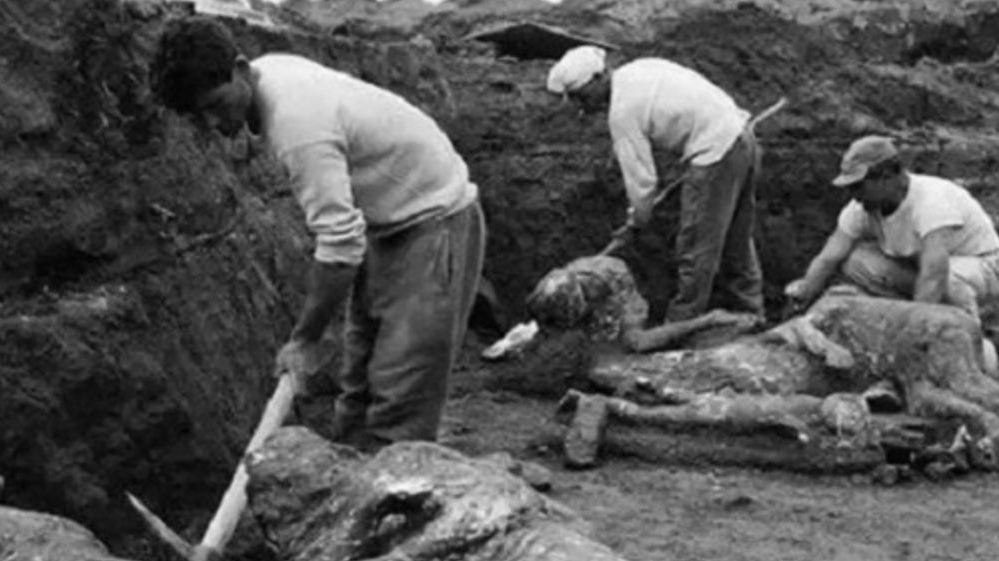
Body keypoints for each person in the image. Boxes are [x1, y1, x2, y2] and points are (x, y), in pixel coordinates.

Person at [152, 19, 485, 451]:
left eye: (216, 104)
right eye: (201, 115)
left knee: (399, 402)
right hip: (389, 223)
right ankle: (350, 475)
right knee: (358, 390)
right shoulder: (269, 72)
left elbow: (340, 246)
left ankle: (394, 484)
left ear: (240, 68)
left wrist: (304, 339)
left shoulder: (297, 125)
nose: (214, 122)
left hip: (435, 223)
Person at [547, 47, 765, 324]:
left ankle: (681, 326)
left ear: (599, 78)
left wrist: (637, 222)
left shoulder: (622, 111)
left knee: (696, 248)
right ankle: (751, 313)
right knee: (737, 239)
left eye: (581, 96)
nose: (580, 107)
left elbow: (642, 182)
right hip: (740, 136)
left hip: (715, 152)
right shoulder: (638, 69)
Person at [785, 135, 999, 328]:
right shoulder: (861, 207)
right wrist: (804, 292)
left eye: (858, 186)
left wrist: (913, 330)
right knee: (855, 262)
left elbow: (934, 270)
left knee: (946, 278)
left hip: (984, 266)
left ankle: (968, 329)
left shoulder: (931, 201)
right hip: (922, 266)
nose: (853, 194)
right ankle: (911, 313)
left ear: (887, 176)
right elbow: (829, 257)